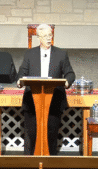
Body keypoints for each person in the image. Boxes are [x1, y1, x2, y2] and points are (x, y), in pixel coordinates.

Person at [17, 24, 75, 155]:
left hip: (53, 102)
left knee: (51, 136)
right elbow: (21, 73)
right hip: (32, 102)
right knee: (31, 136)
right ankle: (30, 163)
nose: (49, 38)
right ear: (38, 37)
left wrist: (66, 82)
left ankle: (50, 163)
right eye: (45, 36)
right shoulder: (30, 54)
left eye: (50, 35)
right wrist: (19, 81)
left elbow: (70, 74)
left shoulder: (61, 54)